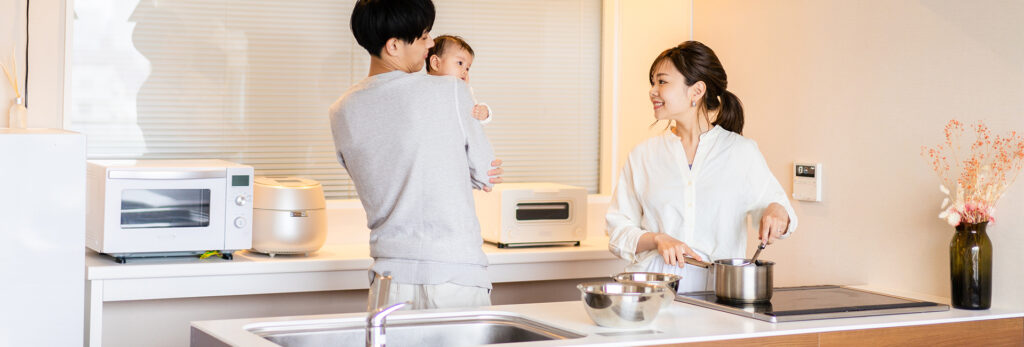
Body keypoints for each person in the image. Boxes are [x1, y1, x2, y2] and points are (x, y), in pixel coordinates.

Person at [330, 0, 503, 310]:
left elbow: (390, 172)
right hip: (455, 276)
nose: (432, 43)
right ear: (394, 45)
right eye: (423, 35)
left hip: (389, 282)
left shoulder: (341, 111)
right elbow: (485, 172)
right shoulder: (450, 89)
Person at [606, 41, 798, 293]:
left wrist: (777, 211)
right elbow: (617, 232)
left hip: (719, 293)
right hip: (652, 295)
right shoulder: (643, 155)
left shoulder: (741, 152)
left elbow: (784, 218)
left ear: (696, 91)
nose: (653, 91)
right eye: (652, 82)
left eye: (662, 82)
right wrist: (658, 239)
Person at [425, 35, 492, 124]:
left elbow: (473, 115)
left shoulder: (465, 90)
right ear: (436, 63)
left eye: (467, 68)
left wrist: (484, 113)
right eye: (460, 63)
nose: (465, 71)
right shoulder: (424, 89)